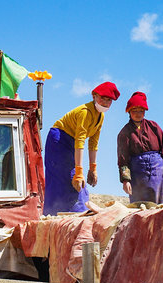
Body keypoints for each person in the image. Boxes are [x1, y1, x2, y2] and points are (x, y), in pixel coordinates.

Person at [44, 81, 120, 214]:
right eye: (102, 98)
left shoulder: (100, 116)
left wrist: (93, 169)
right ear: (94, 96)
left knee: (74, 178)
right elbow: (80, 142)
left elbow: (93, 142)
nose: (105, 102)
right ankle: (58, 212)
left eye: (109, 100)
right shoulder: (85, 112)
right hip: (59, 139)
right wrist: (79, 172)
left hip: (72, 142)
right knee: (69, 177)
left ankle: (78, 211)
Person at [117, 91, 163, 205]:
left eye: (141, 111)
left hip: (158, 174)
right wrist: (125, 181)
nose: (138, 114)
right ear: (129, 111)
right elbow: (123, 160)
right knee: (142, 209)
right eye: (135, 111)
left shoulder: (154, 126)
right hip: (138, 178)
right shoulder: (124, 133)